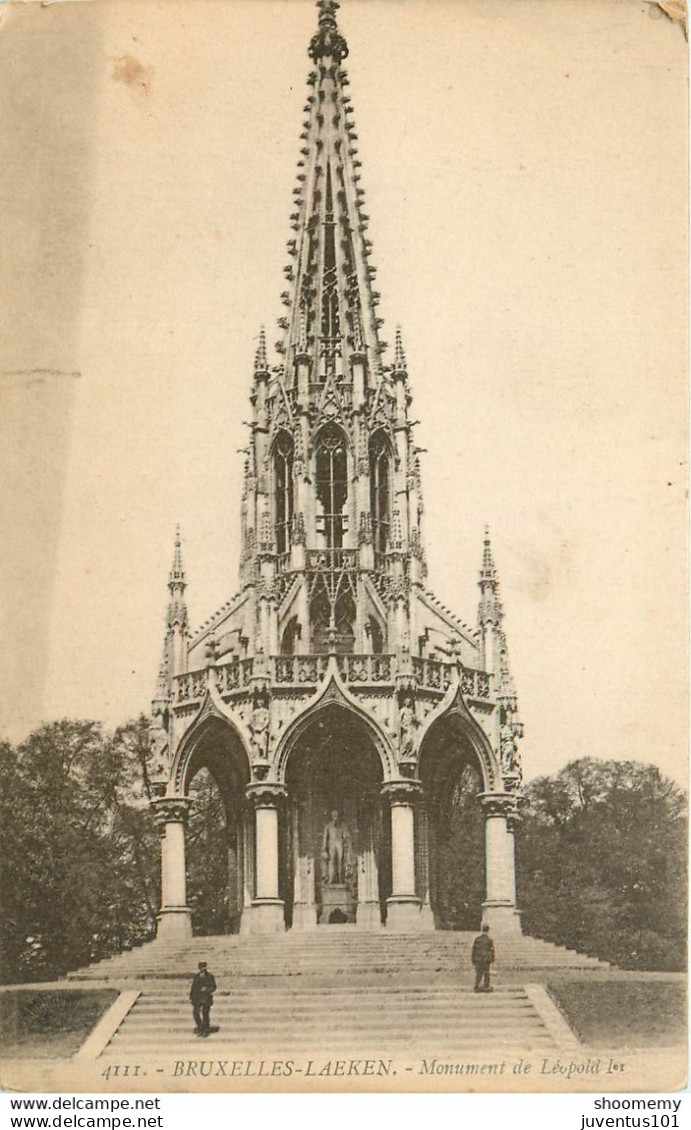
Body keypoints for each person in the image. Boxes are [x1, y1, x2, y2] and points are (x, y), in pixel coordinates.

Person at [190, 961, 216, 1036]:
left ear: (206, 967)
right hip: (197, 998)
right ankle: (200, 1027)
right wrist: (191, 998)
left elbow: (214, 987)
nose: (202, 969)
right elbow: (193, 988)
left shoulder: (210, 976)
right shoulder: (196, 977)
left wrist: (207, 989)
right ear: (199, 968)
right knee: (195, 1013)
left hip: (206, 998)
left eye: (204, 967)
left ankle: (205, 1030)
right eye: (201, 967)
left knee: (205, 1014)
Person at [471, 924, 495, 993]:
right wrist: (492, 959)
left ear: (482, 930)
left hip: (478, 958)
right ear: (488, 931)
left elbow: (474, 950)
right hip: (486, 959)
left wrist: (473, 959)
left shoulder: (477, 939)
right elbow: (491, 951)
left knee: (478, 973)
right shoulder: (489, 940)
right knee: (486, 973)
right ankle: (486, 986)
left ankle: (477, 986)